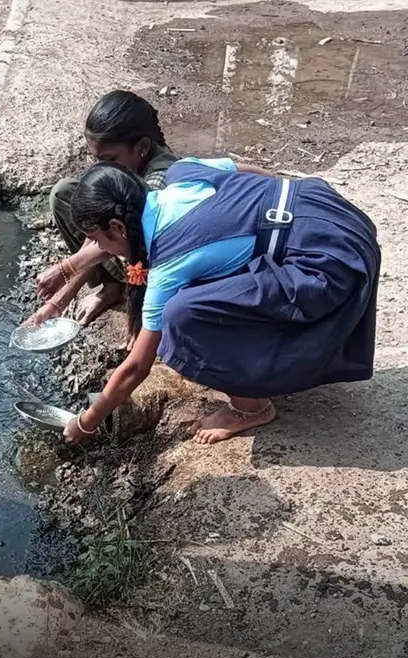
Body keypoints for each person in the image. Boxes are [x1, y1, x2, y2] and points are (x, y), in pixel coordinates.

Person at [60, 159, 379, 446]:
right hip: (327, 209)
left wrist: (87, 421)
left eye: (97, 240)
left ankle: (250, 408)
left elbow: (136, 368)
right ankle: (255, 367)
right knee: (206, 289)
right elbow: (251, 172)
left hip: (328, 262)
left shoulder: (169, 264)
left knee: (181, 316)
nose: (101, 248)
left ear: (117, 228)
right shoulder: (182, 172)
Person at [25, 90, 179, 328]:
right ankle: (112, 286)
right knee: (64, 194)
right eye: (96, 159)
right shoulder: (128, 166)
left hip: (156, 260)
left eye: (109, 159)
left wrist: (66, 271)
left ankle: (136, 291)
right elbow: (99, 228)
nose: (100, 167)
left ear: (142, 147)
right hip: (122, 238)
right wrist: (57, 302)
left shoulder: (159, 182)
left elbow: (110, 237)